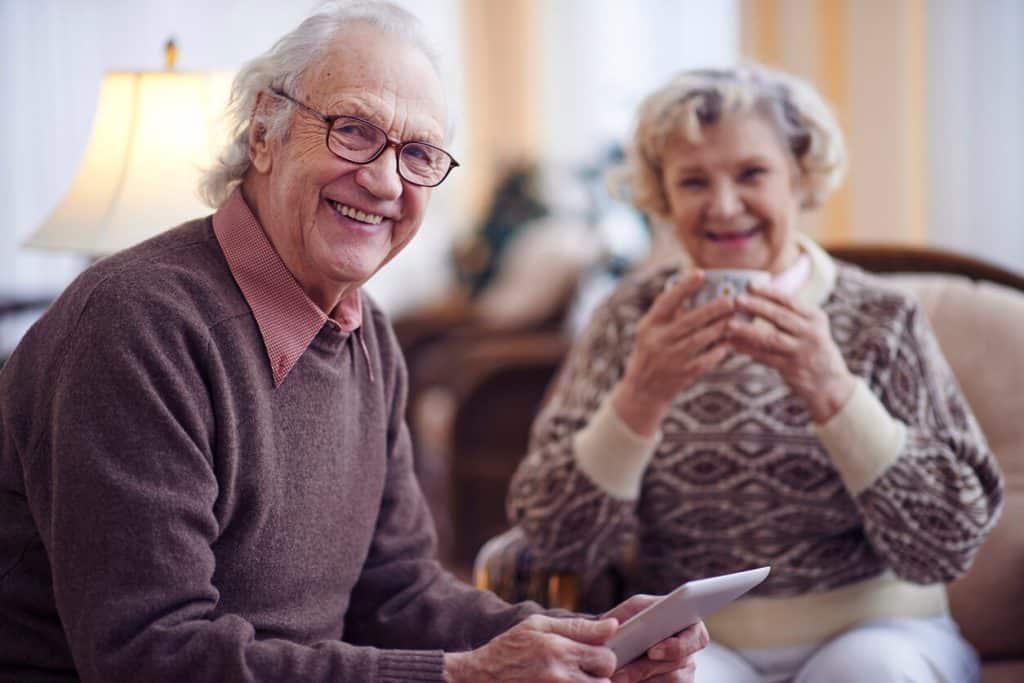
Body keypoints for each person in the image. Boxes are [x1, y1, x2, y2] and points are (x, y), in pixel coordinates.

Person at [0, 3, 708, 681]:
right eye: (352, 130)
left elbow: (395, 591)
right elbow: (150, 656)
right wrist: (464, 675)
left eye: (419, 153)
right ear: (262, 133)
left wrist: (588, 641)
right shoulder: (136, 328)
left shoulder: (366, 334)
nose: (383, 181)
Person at [507, 65, 1004, 683]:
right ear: (664, 198)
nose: (723, 206)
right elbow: (555, 538)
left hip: (880, 629)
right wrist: (640, 397)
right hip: (693, 640)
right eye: (693, 181)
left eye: (751, 173)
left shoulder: (883, 318)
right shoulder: (626, 320)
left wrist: (833, 389)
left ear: (800, 176)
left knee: (868, 670)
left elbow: (948, 538)